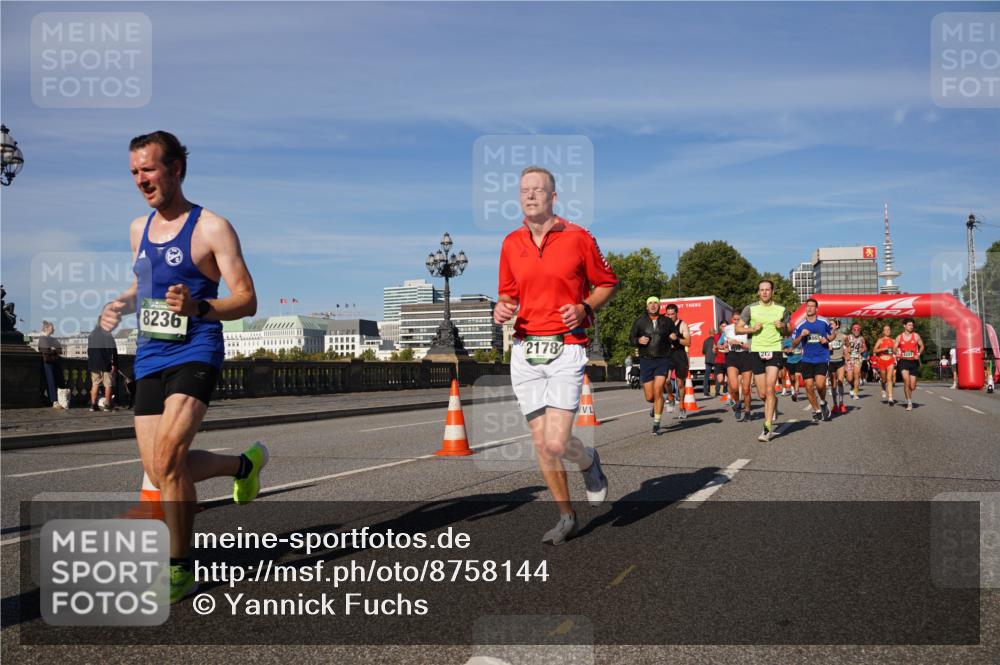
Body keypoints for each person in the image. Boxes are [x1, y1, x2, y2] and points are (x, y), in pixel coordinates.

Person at [100, 131, 264, 602]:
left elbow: (247, 299)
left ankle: (179, 567)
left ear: (176, 170)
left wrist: (199, 308)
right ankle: (242, 465)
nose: (140, 180)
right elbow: (144, 286)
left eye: (148, 169)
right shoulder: (138, 229)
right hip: (151, 352)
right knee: (158, 466)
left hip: (197, 349)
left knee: (170, 459)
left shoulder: (212, 227)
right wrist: (120, 304)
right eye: (134, 171)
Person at [495, 165, 618, 545]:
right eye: (524, 191)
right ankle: (566, 516)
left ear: (553, 197)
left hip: (566, 347)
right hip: (525, 348)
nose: (530, 195)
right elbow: (508, 295)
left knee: (556, 443)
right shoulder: (510, 243)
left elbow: (607, 283)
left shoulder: (579, 237)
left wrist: (584, 308)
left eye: (538, 190)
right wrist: (501, 309)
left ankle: (588, 462)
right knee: (540, 442)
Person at [735, 280, 788, 442]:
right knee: (763, 393)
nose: (764, 292)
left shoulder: (782, 309)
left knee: (771, 388)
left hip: (774, 350)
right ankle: (773, 403)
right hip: (756, 351)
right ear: (758, 292)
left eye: (767, 290)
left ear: (773, 291)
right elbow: (738, 328)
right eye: (761, 290)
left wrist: (783, 326)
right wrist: (751, 329)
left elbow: (789, 329)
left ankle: (767, 428)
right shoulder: (750, 309)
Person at [629, 296, 677, 434]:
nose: (653, 305)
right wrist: (638, 340)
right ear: (647, 306)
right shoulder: (640, 322)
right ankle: (657, 404)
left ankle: (656, 423)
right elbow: (631, 338)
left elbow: (675, 334)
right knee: (650, 397)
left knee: (658, 390)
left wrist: (674, 336)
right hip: (646, 360)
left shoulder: (666, 321)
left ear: (659, 306)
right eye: (650, 303)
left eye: (656, 303)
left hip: (663, 359)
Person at [791, 298, 833, 421]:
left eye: (811, 306)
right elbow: (793, 343)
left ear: (816, 309)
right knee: (809, 387)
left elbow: (833, 333)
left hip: (821, 357)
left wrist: (828, 339)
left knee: (820, 385)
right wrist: (801, 335)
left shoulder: (823, 322)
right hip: (807, 359)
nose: (809, 308)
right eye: (807, 306)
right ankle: (817, 410)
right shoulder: (800, 325)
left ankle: (823, 402)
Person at [662, 303, 691, 419]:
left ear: (676, 313)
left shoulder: (682, 325)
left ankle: (682, 407)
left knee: (680, 383)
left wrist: (677, 339)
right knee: (666, 380)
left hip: (679, 354)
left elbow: (688, 342)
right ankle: (670, 397)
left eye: (672, 314)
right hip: (667, 354)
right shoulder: (663, 325)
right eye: (667, 314)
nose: (670, 316)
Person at [725, 312, 753, 422]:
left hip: (745, 356)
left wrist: (740, 342)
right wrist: (726, 344)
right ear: (732, 319)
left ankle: (747, 411)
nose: (736, 321)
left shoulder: (748, 328)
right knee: (734, 387)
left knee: (746, 389)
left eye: (738, 319)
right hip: (733, 356)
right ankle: (737, 404)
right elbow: (725, 342)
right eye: (734, 319)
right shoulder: (728, 329)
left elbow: (750, 346)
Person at [894, 318, 924, 411]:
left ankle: (908, 395)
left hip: (913, 362)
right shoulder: (899, 337)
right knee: (906, 381)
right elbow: (894, 347)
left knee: (912, 386)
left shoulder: (916, 336)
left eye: (912, 325)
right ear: (904, 325)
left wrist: (918, 354)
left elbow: (922, 345)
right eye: (909, 325)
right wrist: (897, 352)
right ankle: (909, 402)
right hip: (903, 361)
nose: (911, 327)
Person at [88, 324, 119, 411]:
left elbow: (89, 351)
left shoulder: (92, 334)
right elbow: (112, 350)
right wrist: (114, 363)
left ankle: (93, 405)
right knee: (108, 384)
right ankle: (107, 405)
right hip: (106, 364)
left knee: (95, 384)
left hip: (94, 364)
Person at [37, 320, 65, 409]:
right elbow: (45, 351)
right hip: (48, 363)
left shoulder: (52, 339)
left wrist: (52, 350)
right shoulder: (42, 339)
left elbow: (59, 349)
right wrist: (54, 350)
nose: (54, 330)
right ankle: (54, 401)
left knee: (57, 381)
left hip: (54, 362)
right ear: (47, 329)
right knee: (51, 381)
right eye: (52, 328)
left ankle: (56, 399)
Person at [872, 324, 897, 406]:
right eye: (886, 330)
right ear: (883, 331)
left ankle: (890, 398)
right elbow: (874, 350)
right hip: (882, 361)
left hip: (890, 360)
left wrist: (896, 351)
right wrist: (883, 349)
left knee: (889, 379)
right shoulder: (880, 340)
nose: (887, 331)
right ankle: (883, 387)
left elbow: (896, 351)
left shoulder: (893, 341)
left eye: (889, 329)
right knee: (884, 380)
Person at [826, 318, 847, 414]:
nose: (830, 325)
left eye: (832, 324)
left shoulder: (843, 336)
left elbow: (848, 346)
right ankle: (835, 404)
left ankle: (841, 403)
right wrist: (826, 348)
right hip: (831, 362)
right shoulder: (826, 336)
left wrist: (847, 353)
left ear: (837, 326)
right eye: (829, 324)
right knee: (833, 384)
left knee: (840, 382)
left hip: (840, 361)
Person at [845, 323, 867, 400]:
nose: (856, 331)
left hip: (858, 358)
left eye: (858, 329)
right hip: (849, 359)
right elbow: (845, 346)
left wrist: (862, 350)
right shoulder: (848, 337)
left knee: (857, 374)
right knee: (850, 378)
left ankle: (855, 393)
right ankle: (852, 386)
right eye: (855, 329)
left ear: (860, 330)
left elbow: (865, 348)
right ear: (852, 330)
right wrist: (846, 353)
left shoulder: (862, 338)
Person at [781, 335, 802, 402]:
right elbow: (782, 349)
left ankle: (795, 394)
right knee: (792, 378)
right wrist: (786, 350)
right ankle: (792, 387)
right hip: (790, 361)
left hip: (799, 360)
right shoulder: (787, 340)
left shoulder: (800, 339)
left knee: (797, 377)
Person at [713, 322, 729, 399]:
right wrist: (717, 348)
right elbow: (716, 345)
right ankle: (725, 383)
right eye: (723, 326)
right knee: (720, 380)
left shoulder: (730, 335)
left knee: (731, 381)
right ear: (720, 327)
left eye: (726, 326)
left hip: (729, 360)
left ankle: (731, 397)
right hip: (719, 360)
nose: (724, 328)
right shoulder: (716, 336)